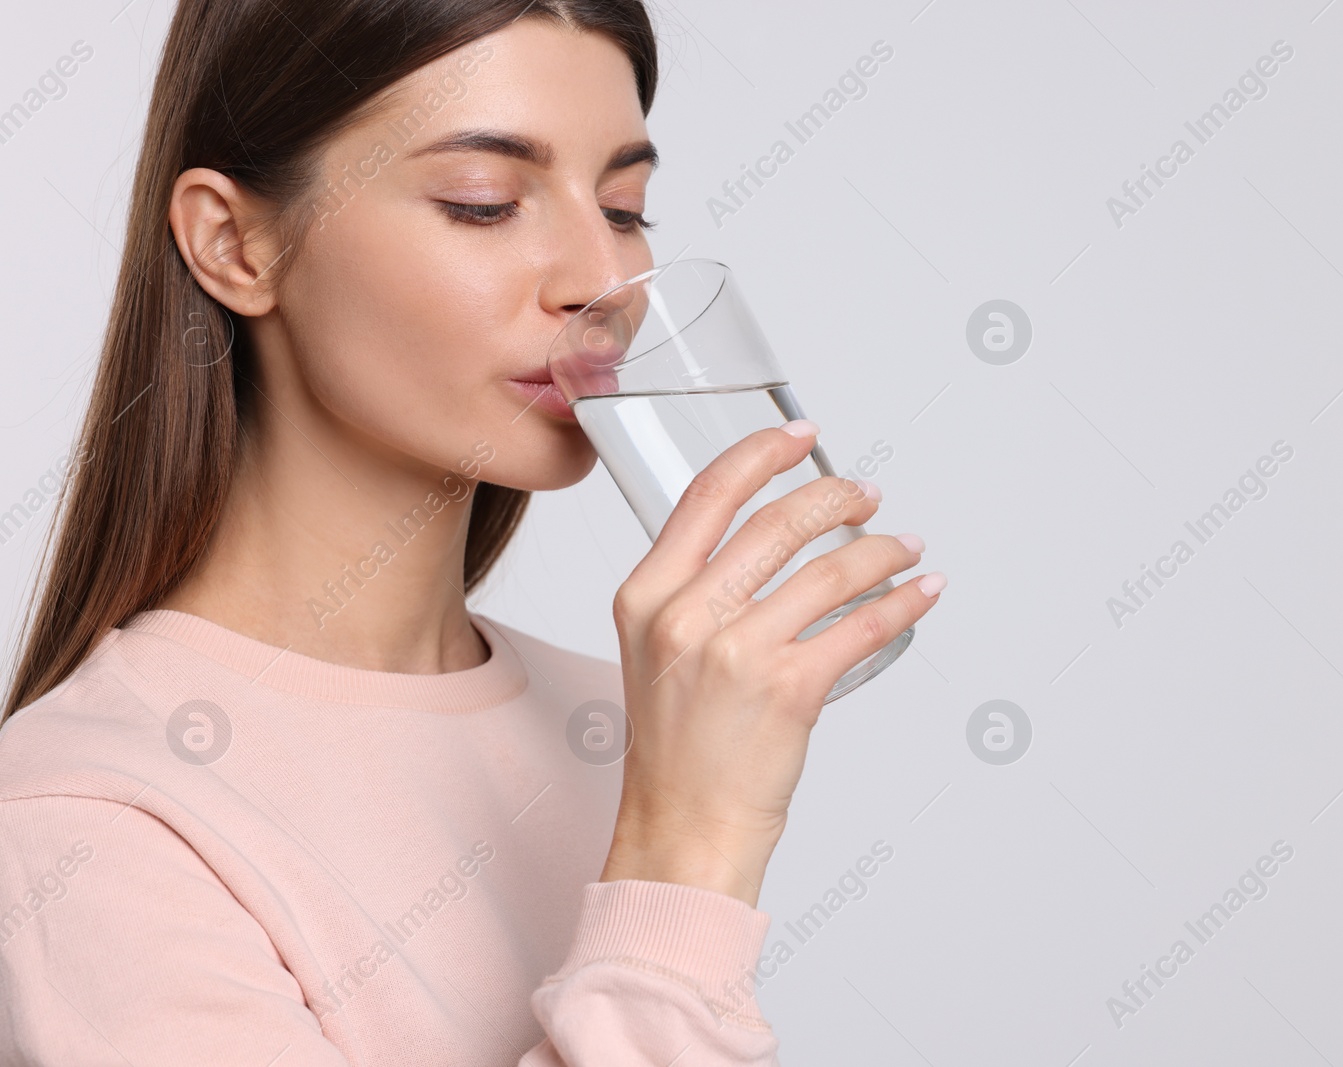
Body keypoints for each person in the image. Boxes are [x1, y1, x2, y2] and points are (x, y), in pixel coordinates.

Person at [0, 1, 944, 1063]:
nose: (602, 281)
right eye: (485, 203)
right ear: (235, 243)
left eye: (625, 206)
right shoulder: (85, 818)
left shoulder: (620, 716)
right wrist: (683, 852)